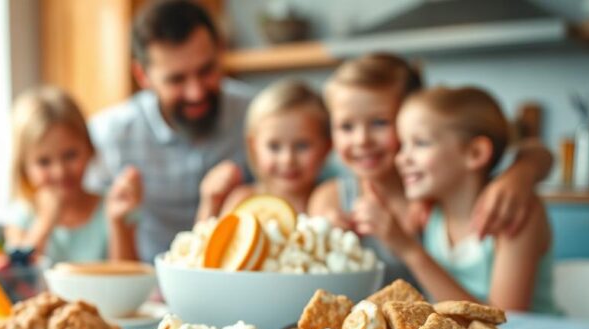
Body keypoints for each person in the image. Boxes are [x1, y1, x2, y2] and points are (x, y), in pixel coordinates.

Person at [307, 53, 553, 285]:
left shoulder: (437, 192)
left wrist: (521, 173)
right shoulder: (332, 199)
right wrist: (327, 237)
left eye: (380, 122)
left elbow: (538, 153)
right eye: (346, 127)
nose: (362, 140)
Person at [354, 86, 556, 313]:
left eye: (420, 143)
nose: (401, 159)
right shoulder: (429, 210)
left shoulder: (514, 211)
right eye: (402, 145)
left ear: (475, 153)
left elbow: (506, 322)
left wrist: (408, 250)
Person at [85, 0, 253, 262]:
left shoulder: (256, 117)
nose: (196, 92)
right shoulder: (110, 135)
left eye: (206, 70)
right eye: (176, 79)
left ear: (220, 52)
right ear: (143, 76)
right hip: (147, 285)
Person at [5, 86, 142, 262]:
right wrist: (45, 222)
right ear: (23, 166)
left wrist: (116, 222)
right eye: (44, 162)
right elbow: (19, 280)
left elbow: (127, 279)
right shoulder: (21, 215)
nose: (60, 172)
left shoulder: (111, 207)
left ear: (89, 149)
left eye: (70, 155)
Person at [197, 79, 331, 221]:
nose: (287, 159)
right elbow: (205, 241)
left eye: (302, 145)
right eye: (274, 146)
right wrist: (210, 203)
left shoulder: (330, 199)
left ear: (327, 147)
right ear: (253, 147)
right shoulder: (243, 200)